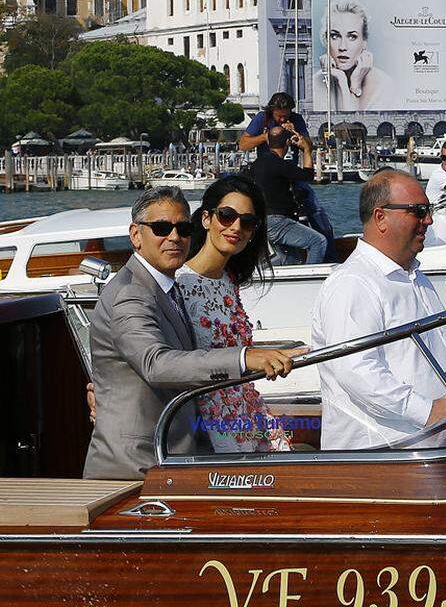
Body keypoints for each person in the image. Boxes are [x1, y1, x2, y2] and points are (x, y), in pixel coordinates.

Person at [83, 186, 298, 480]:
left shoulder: (168, 287)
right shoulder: (131, 293)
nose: (174, 237)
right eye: (161, 228)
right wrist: (245, 358)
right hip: (136, 468)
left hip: (184, 447)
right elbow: (156, 364)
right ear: (135, 235)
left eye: (183, 228)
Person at [310, 168, 446, 450]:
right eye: (418, 211)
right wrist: (427, 411)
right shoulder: (353, 283)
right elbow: (356, 370)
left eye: (429, 210)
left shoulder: (416, 277)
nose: (428, 220)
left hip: (435, 449)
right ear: (381, 217)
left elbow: (445, 358)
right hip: (381, 459)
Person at [176, 175, 298, 452]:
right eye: (227, 216)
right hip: (207, 420)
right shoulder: (180, 284)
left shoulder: (229, 280)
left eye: (248, 221)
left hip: (246, 408)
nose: (236, 227)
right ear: (206, 219)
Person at [249, 124, 327, 265]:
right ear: (287, 143)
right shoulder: (280, 164)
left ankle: (257, 274)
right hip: (278, 221)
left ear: (268, 142)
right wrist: (307, 150)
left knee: (291, 260)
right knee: (318, 242)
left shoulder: (256, 164)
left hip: (262, 221)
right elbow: (308, 175)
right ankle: (310, 280)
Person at [316, 0, 391, 111]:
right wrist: (341, 80)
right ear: (326, 40)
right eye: (335, 36)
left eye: (352, 37)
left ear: (364, 41)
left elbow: (354, 124)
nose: (342, 47)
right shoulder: (316, 83)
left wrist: (355, 84)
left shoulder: (384, 85)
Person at [239, 92, 313, 154]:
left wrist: (295, 133)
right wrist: (266, 137)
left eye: (286, 115)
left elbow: (309, 147)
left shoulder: (296, 119)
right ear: (271, 111)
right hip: (266, 166)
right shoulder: (263, 118)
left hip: (289, 167)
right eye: (279, 116)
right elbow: (243, 145)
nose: (282, 119)